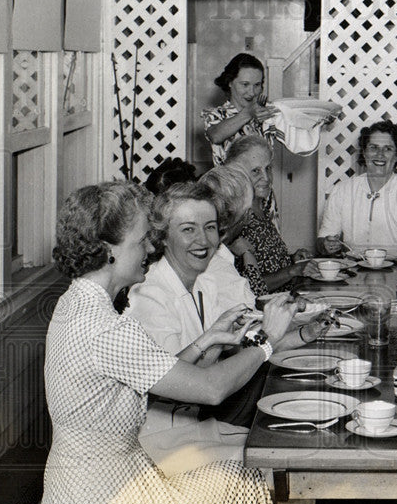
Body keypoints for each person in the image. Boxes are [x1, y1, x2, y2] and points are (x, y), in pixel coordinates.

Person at [38, 181, 296, 504]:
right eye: (141, 240)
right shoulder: (101, 326)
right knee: (241, 503)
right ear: (109, 249)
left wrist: (208, 338)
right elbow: (209, 390)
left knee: (238, 493)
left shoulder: (84, 305)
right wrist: (266, 345)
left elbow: (151, 379)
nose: (150, 248)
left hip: (100, 489)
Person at [126, 181, 331, 429]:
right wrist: (266, 340)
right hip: (170, 431)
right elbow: (182, 384)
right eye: (188, 229)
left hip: (206, 416)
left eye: (210, 227)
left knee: (306, 398)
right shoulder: (148, 295)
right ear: (163, 237)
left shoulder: (205, 282)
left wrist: (303, 333)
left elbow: (245, 345)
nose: (203, 240)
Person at [317, 120, 397, 258]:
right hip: (351, 272)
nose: (380, 154)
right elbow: (323, 240)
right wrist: (327, 245)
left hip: (395, 274)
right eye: (373, 147)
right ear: (364, 153)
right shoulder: (342, 190)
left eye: (388, 149)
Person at [224, 135, 312, 294]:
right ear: (236, 173)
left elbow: (265, 263)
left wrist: (292, 260)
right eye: (256, 171)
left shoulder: (262, 204)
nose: (266, 178)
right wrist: (292, 271)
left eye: (268, 168)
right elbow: (247, 289)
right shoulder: (233, 216)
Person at [201, 53, 281, 166]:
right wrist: (248, 113)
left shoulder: (264, 114)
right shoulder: (216, 114)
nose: (252, 92)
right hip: (230, 183)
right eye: (245, 84)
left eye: (257, 85)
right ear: (229, 82)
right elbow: (215, 136)